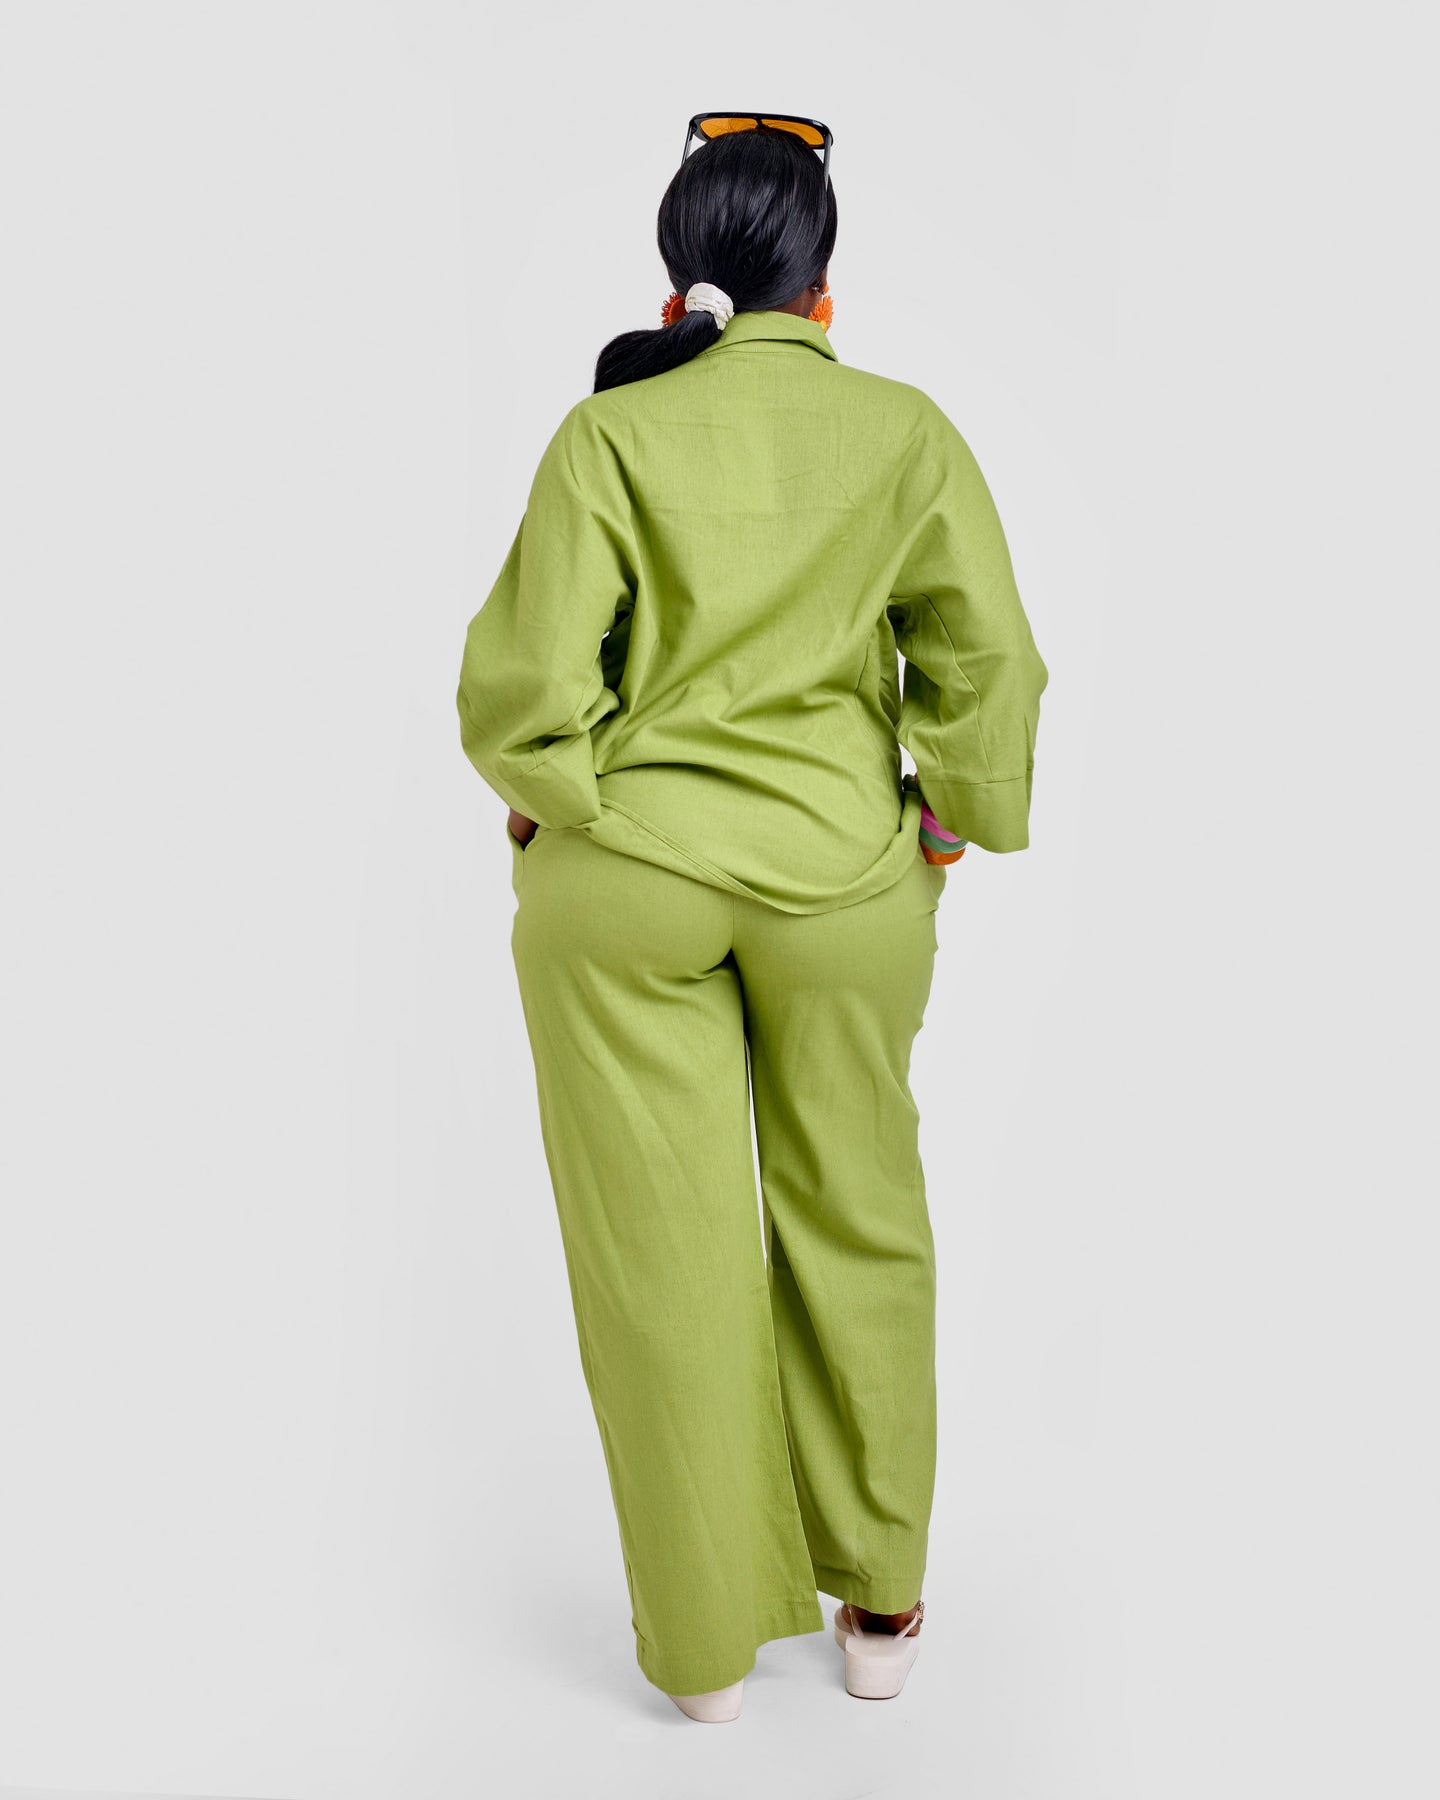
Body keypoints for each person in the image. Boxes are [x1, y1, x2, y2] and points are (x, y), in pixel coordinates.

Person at [456, 114, 1047, 1722]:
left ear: (681, 286)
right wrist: (946, 820)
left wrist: (551, 796)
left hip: (629, 880)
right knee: (861, 1210)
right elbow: (991, 661)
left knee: (664, 1246)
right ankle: (882, 1614)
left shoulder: (609, 434)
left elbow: (522, 691)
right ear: (824, 288)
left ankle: (707, 1653)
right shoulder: (906, 432)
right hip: (848, 879)